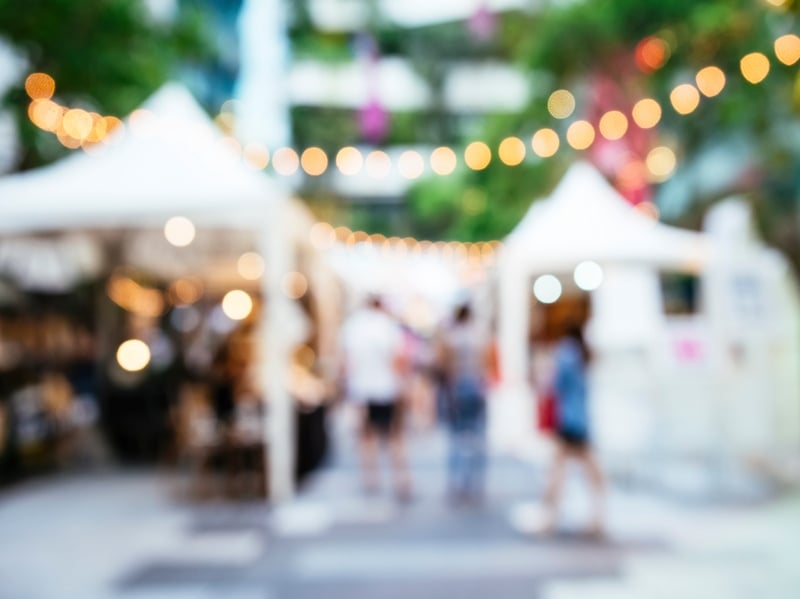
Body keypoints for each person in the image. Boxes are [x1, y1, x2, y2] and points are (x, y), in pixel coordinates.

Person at [339, 295, 412, 500]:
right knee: (394, 436)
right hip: (387, 388)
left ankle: (370, 478)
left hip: (361, 390)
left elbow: (345, 363)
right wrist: (402, 385)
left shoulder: (352, 327)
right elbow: (398, 360)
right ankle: (400, 479)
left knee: (366, 436)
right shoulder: (388, 326)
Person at [541, 322, 605, 536]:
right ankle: (597, 517)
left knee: (557, 471)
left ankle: (551, 517)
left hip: (567, 419)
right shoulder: (583, 354)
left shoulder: (565, 353)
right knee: (591, 472)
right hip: (582, 420)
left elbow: (555, 385)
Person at [437, 300, 492, 505]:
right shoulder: (479, 337)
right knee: (477, 437)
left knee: (456, 437)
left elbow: (444, 366)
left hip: (457, 390)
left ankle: (457, 482)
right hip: (476, 389)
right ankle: (475, 482)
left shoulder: (451, 338)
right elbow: (485, 366)